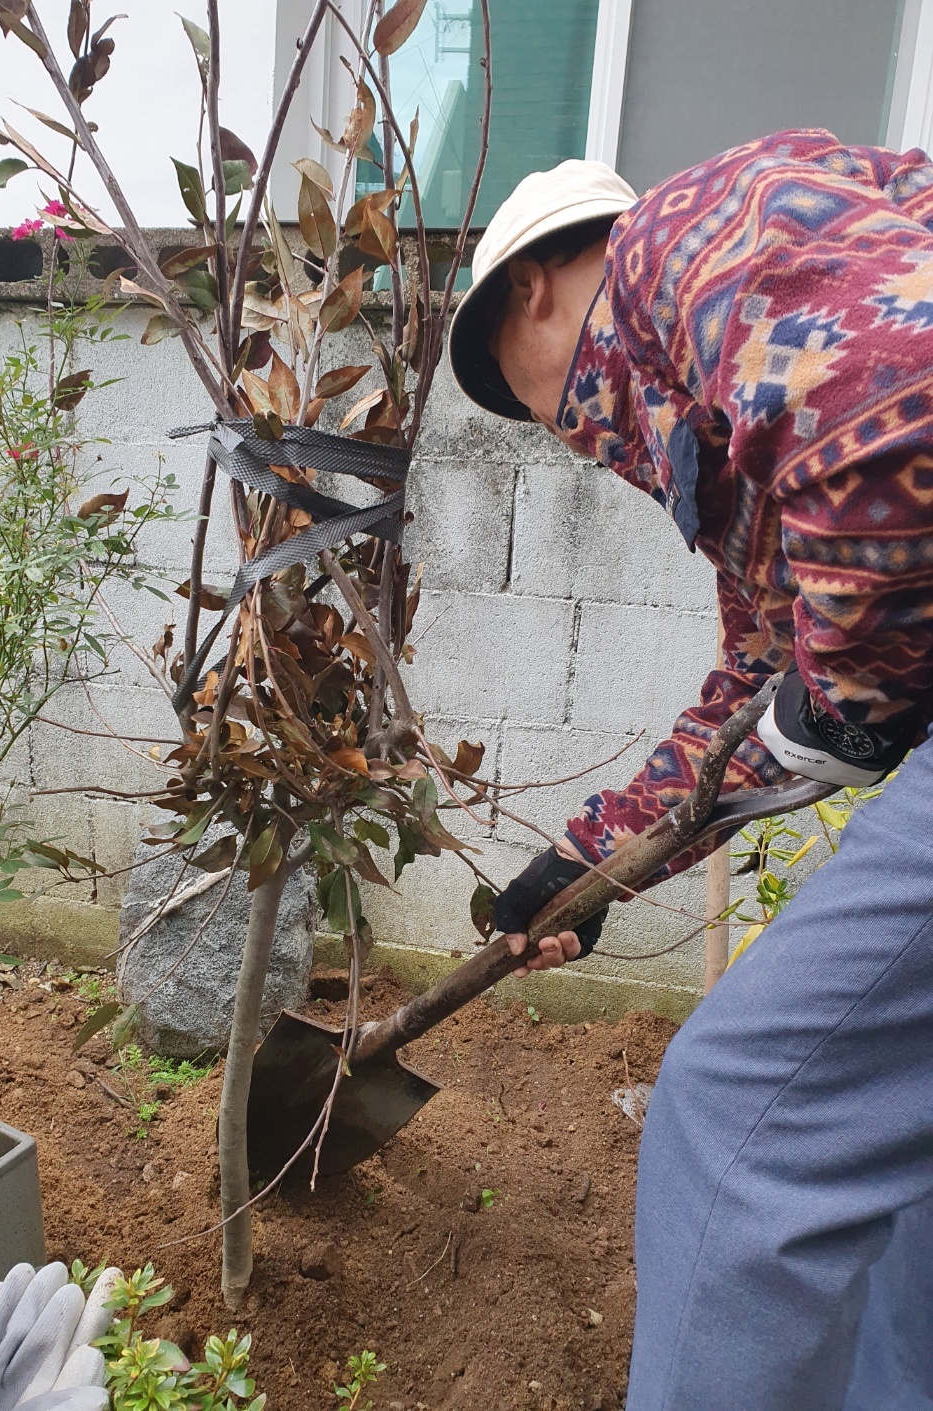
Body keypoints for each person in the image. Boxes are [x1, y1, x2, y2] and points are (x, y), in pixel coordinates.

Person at [448, 129, 933, 1411]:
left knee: (741, 1119)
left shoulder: (688, 237)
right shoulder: (734, 421)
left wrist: (839, 708)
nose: (567, 441)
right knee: (902, 1157)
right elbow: (753, 691)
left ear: (536, 290)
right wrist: (588, 860)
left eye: (533, 399)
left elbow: (894, 412)